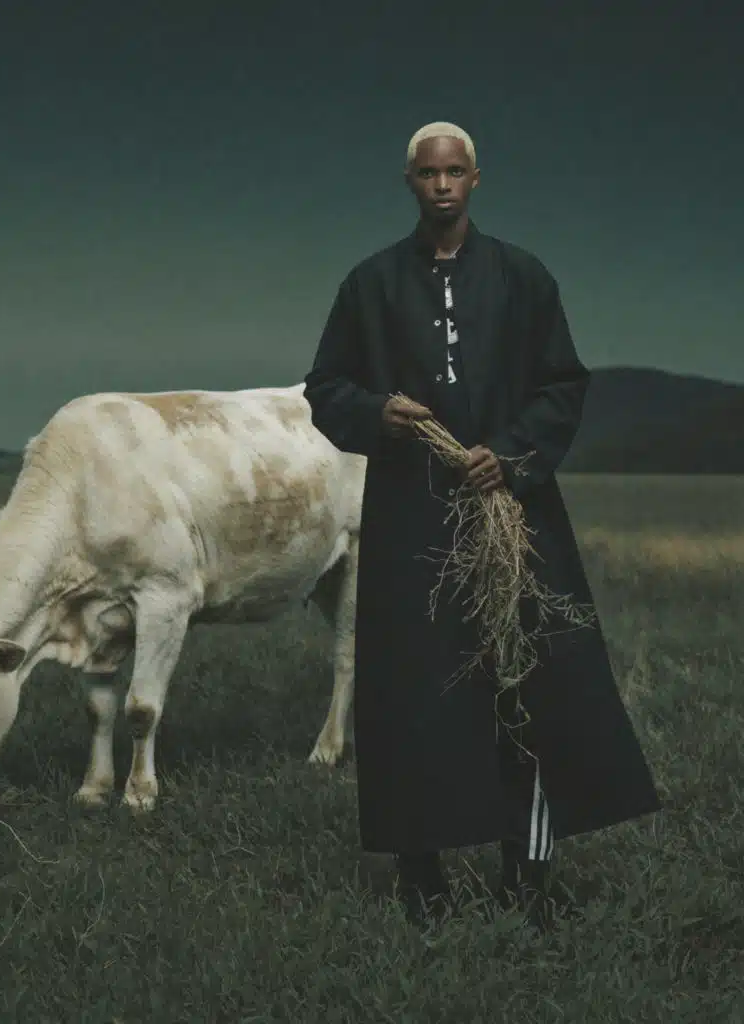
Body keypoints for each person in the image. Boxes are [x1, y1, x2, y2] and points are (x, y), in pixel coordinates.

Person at [303, 121, 661, 927]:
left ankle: (527, 875)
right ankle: (421, 878)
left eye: (455, 171)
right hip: (412, 523)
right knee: (413, 692)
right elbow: (326, 387)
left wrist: (512, 455)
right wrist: (376, 412)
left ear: (475, 179)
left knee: (526, 684)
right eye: (428, 173)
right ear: (409, 181)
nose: (442, 185)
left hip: (515, 514)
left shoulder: (523, 277)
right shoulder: (369, 284)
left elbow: (562, 384)